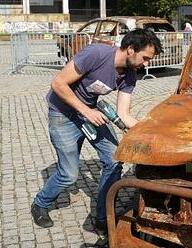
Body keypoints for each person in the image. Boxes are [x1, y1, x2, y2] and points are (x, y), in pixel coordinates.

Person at [31, 29, 163, 230]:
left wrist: (151, 133)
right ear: (130, 49)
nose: (146, 64)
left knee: (114, 160)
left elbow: (124, 115)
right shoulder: (96, 54)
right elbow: (58, 83)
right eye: (145, 58)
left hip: (89, 114)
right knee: (69, 174)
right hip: (62, 114)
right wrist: (86, 110)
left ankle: (103, 216)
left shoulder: (129, 76)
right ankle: (40, 204)